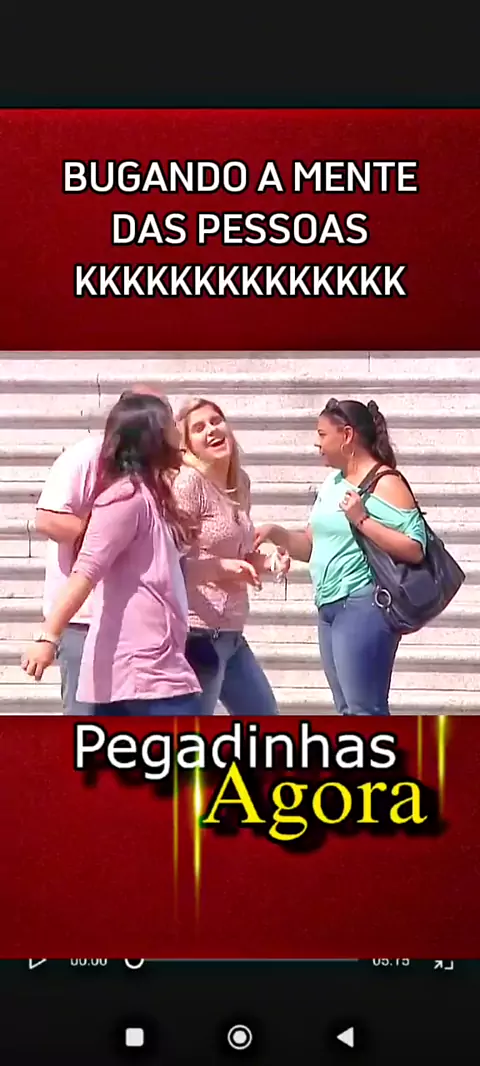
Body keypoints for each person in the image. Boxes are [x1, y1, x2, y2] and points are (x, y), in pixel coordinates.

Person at [22, 391, 205, 715]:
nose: (180, 434)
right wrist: (48, 636)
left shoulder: (150, 496)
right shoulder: (124, 498)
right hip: (141, 672)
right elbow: (86, 571)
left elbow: (164, 571)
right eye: (170, 427)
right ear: (153, 438)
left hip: (157, 665)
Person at [254, 398, 427, 716]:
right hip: (328, 607)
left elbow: (415, 548)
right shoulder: (332, 483)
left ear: (347, 435)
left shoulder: (385, 482)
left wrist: (362, 520)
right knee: (347, 709)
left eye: (322, 435)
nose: (316, 443)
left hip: (363, 605)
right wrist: (275, 533)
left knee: (365, 710)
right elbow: (311, 546)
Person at [35, 383, 165, 714]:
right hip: (85, 623)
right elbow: (47, 519)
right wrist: (106, 534)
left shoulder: (155, 473)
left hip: (137, 629)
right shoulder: (85, 457)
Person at [173, 396, 290, 715]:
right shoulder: (188, 484)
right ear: (187, 446)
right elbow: (168, 564)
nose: (212, 430)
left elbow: (238, 555)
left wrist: (268, 562)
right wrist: (222, 569)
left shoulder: (239, 483)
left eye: (216, 421)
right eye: (199, 428)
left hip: (232, 635)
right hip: (196, 636)